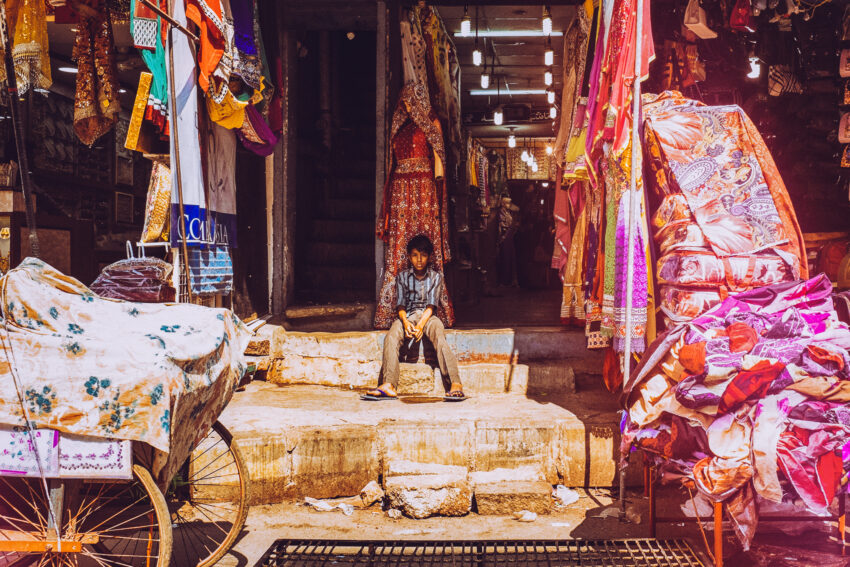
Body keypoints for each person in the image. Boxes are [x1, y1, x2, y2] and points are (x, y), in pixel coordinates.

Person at [364, 234, 464, 400]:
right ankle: (389, 384)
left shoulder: (435, 277)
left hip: (429, 317)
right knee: (392, 336)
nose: (419, 260)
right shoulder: (403, 277)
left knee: (439, 337)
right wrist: (405, 322)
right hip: (408, 315)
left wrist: (421, 325)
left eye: (423, 255)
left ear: (429, 257)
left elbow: (431, 306)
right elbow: (401, 305)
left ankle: (455, 383)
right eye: (415, 255)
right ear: (409, 257)